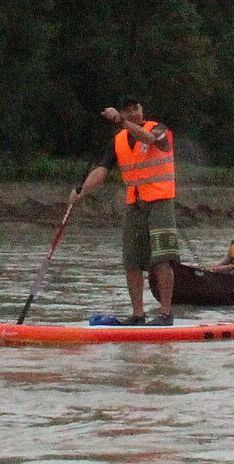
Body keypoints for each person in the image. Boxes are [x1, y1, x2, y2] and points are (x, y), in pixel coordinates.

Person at [72, 99, 179, 324]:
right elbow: (102, 171)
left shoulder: (159, 129)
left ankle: (166, 314)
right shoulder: (118, 140)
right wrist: (81, 192)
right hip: (135, 203)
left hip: (160, 200)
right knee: (131, 260)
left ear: (142, 110)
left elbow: (148, 139)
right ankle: (138, 315)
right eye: (127, 111)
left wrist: (121, 121)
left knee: (162, 258)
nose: (133, 113)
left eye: (136, 109)